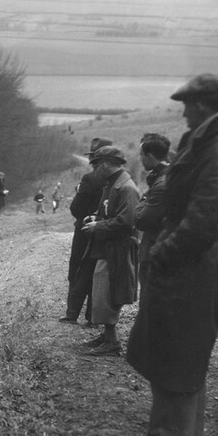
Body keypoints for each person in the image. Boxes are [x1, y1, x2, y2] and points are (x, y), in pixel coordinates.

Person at [124, 74, 218, 436]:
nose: (182, 113)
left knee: (178, 351)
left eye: (187, 106)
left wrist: (164, 252)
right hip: (193, 262)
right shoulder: (207, 141)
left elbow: (205, 216)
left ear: (201, 106)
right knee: (178, 348)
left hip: (193, 264)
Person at [80, 145, 140, 356]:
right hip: (108, 248)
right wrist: (97, 217)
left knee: (109, 292)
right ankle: (107, 335)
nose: (95, 169)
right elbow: (110, 211)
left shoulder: (127, 188)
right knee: (102, 291)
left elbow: (127, 222)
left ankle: (112, 341)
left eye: (97, 164)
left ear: (105, 164)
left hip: (118, 250)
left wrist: (99, 226)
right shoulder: (112, 184)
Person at [58, 137, 111, 325]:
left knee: (78, 268)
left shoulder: (90, 178)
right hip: (107, 230)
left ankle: (72, 313)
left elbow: (76, 209)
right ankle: (92, 316)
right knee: (97, 272)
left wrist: (80, 192)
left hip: (85, 230)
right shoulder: (117, 178)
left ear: (93, 158)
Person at [134, 133, 172, 288]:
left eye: (141, 155)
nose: (140, 159)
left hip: (155, 249)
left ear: (149, 156)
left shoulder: (161, 183)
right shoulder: (163, 177)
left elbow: (141, 219)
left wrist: (143, 200)